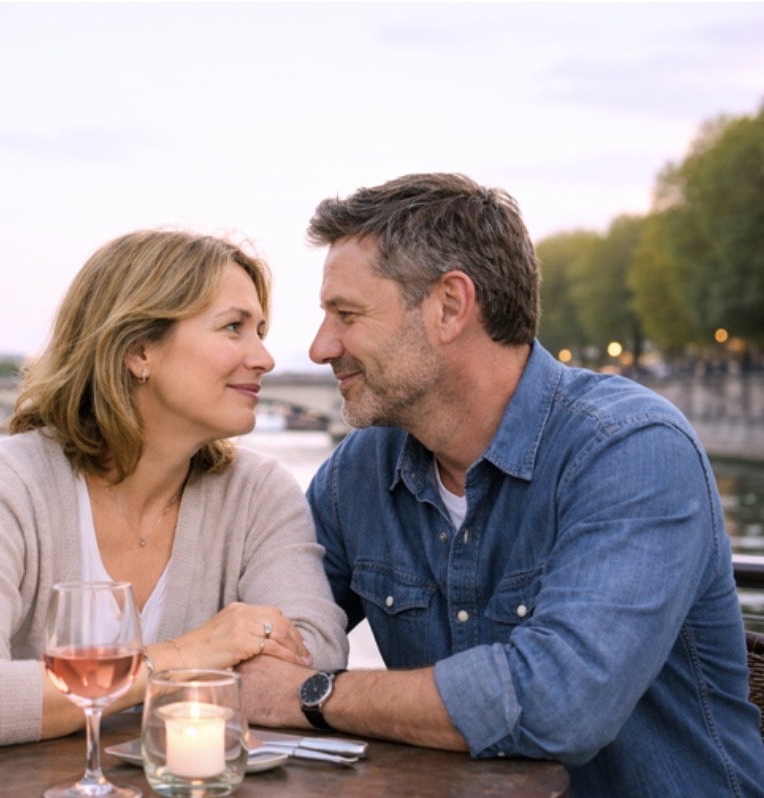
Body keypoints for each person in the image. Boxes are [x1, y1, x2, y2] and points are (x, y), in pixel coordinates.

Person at [238, 173, 764, 797]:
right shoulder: (359, 472)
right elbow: (262, 642)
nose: (320, 347)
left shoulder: (632, 450)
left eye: (347, 315)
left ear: (450, 306)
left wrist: (315, 694)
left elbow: (558, 707)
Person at [0, 228, 350, 752]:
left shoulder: (259, 492)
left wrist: (50, 695)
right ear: (138, 352)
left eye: (261, 332)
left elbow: (313, 661)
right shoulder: (6, 484)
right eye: (233, 328)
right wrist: (186, 654)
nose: (265, 358)